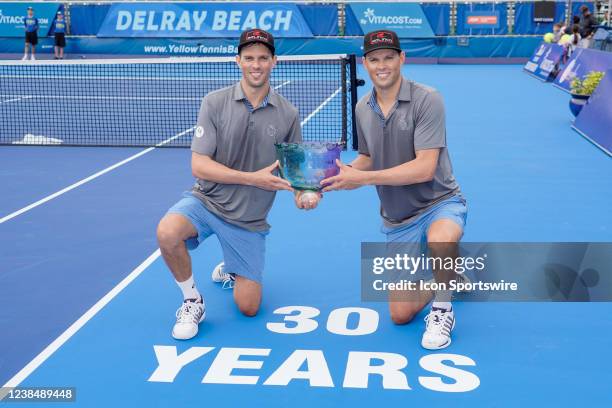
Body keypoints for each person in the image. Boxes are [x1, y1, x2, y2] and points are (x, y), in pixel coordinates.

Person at [156, 29, 320, 340]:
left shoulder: (288, 113)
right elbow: (199, 165)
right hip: (206, 203)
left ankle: (232, 267)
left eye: (262, 58)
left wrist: (304, 193)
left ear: (273, 61)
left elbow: (294, 168)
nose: (255, 64)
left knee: (248, 307)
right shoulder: (214, 103)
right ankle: (192, 300)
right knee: (167, 231)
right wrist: (252, 178)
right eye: (249, 58)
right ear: (238, 61)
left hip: (249, 220)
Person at [321, 30, 467, 350]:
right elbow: (368, 158)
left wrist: (363, 179)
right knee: (400, 313)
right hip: (398, 218)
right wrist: (332, 177)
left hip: (439, 201)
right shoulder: (362, 108)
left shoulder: (428, 98)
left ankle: (442, 309)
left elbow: (425, 167)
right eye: (374, 59)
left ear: (402, 59)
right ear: (365, 63)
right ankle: (451, 276)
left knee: (441, 239)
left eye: (389, 58)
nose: (382, 65)